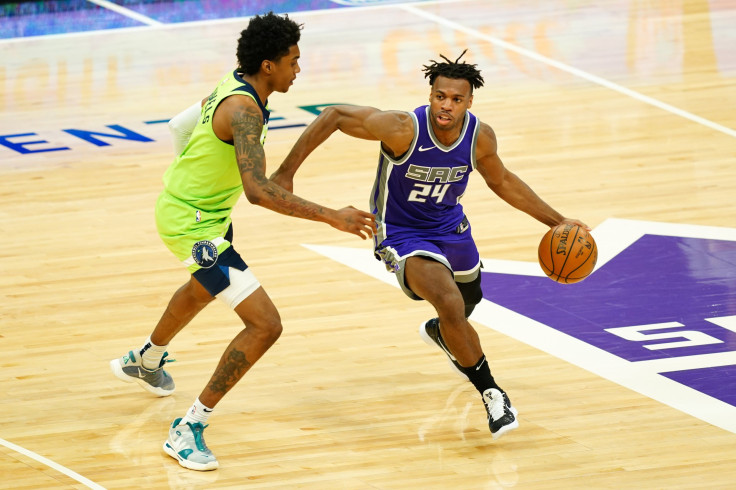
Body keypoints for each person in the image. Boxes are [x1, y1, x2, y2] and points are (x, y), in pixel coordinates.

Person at [270, 50, 589, 440]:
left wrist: (559, 222)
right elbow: (334, 115)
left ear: (469, 102)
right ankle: (492, 392)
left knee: (467, 304)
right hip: (402, 233)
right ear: (430, 95)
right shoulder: (403, 128)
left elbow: (502, 181)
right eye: (440, 96)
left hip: (450, 227)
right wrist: (286, 172)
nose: (446, 106)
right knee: (450, 301)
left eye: (456, 99)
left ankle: (442, 332)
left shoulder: (479, 136)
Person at [109, 12, 376, 472]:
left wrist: (191, 182)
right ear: (268, 65)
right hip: (194, 225)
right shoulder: (246, 111)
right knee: (265, 324)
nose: (298, 69)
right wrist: (333, 216)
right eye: (293, 61)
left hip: (200, 213)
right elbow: (258, 192)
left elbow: (179, 125)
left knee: (204, 287)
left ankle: (145, 359)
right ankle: (187, 428)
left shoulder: (235, 83)